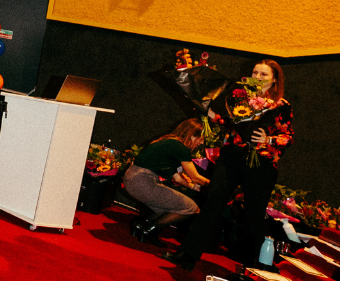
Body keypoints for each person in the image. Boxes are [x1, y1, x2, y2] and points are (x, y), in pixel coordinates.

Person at [168, 60, 293, 270]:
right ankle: (186, 255)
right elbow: (228, 122)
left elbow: (287, 136)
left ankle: (252, 268)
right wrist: (207, 111)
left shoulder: (281, 105)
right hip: (231, 157)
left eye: (263, 74)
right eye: (255, 72)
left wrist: (268, 139)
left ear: (274, 80)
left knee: (253, 215)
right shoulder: (240, 97)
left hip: (261, 163)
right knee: (212, 205)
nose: (257, 77)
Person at [123, 118, 209, 245]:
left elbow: (177, 178)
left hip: (133, 179)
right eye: (201, 139)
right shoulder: (180, 147)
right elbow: (195, 177)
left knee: (172, 205)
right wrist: (215, 185)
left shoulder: (170, 141)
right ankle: (148, 229)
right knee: (191, 207)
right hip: (142, 182)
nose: (201, 143)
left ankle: (141, 224)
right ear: (192, 135)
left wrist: (192, 187)